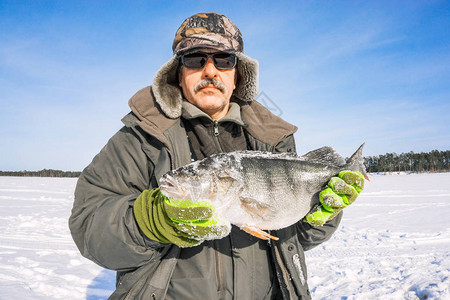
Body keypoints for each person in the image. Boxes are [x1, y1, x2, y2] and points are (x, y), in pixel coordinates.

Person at [69, 12, 364, 299]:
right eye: (195, 59)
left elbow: (294, 238)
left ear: (237, 76)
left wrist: (321, 216)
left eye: (223, 60)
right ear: (179, 74)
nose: (210, 71)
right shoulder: (142, 137)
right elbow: (88, 227)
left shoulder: (274, 141)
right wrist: (153, 219)